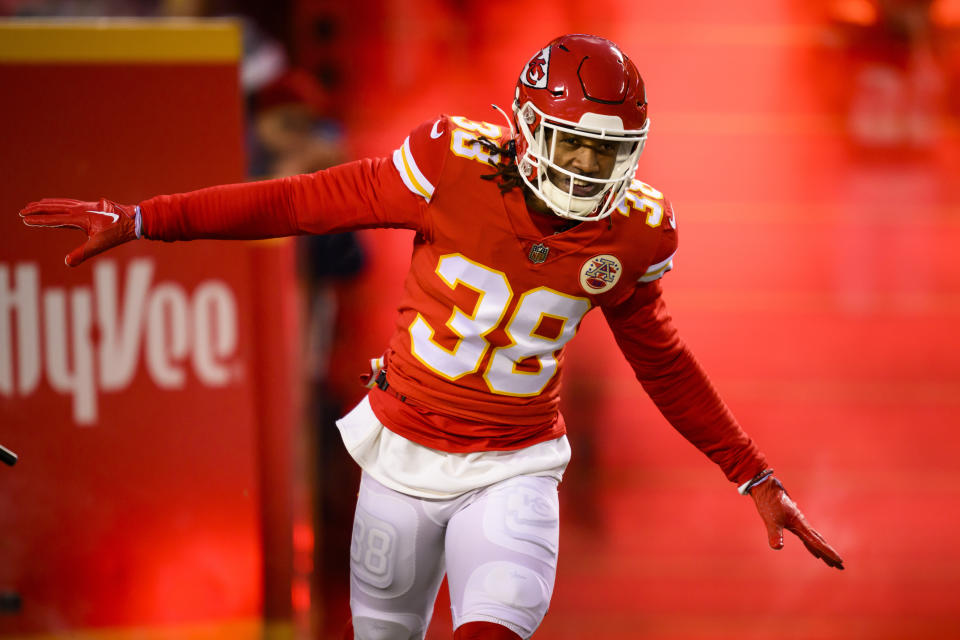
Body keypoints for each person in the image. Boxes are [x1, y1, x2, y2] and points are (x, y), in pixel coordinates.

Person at [19, 34, 843, 640]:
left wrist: (751, 474)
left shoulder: (636, 230)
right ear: (525, 127)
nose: (592, 168)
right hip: (402, 456)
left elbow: (662, 361)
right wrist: (144, 219)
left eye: (609, 150)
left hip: (515, 465)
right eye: (577, 143)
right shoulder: (451, 164)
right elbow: (300, 202)